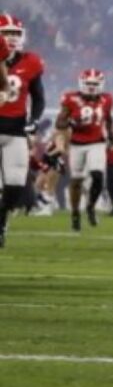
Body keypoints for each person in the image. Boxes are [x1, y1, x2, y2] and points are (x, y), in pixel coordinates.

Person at [0, 13, 45, 249]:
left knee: (16, 185)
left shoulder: (31, 62)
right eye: (6, 32)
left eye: (15, 33)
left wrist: (34, 122)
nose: (11, 37)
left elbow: (39, 98)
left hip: (16, 129)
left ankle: (1, 220)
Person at [52, 68, 113, 231]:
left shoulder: (107, 99)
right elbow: (59, 123)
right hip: (76, 143)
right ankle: (75, 213)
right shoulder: (70, 98)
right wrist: (72, 122)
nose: (92, 87)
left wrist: (112, 135)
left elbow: (108, 118)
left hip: (97, 142)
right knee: (76, 181)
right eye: (88, 83)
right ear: (81, 83)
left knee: (98, 176)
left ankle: (91, 206)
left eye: (95, 84)